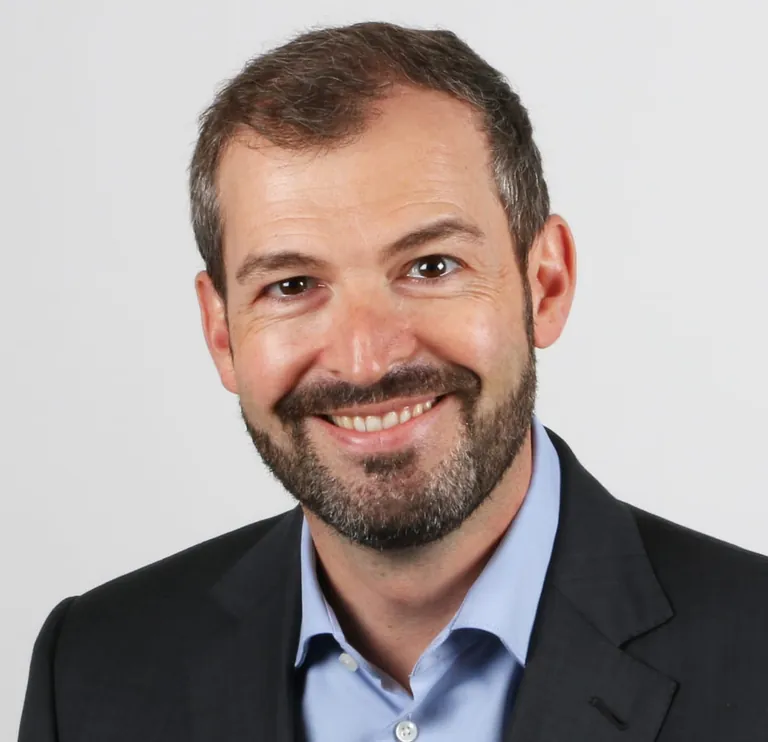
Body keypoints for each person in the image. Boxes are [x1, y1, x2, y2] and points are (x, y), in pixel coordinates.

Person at [19, 21, 768, 742]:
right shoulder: (91, 671)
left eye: (431, 267)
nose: (366, 359)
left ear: (546, 284)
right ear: (222, 333)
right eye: (291, 285)